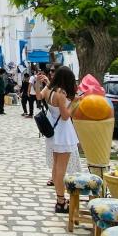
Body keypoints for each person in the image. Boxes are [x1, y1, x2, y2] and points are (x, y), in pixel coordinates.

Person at [36, 65, 81, 213]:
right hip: (63, 132)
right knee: (61, 169)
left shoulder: (49, 89)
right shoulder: (61, 94)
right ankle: (61, 201)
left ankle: (60, 198)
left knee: (56, 167)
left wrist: (38, 83)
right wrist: (75, 102)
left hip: (53, 132)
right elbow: (66, 115)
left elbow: (38, 96)